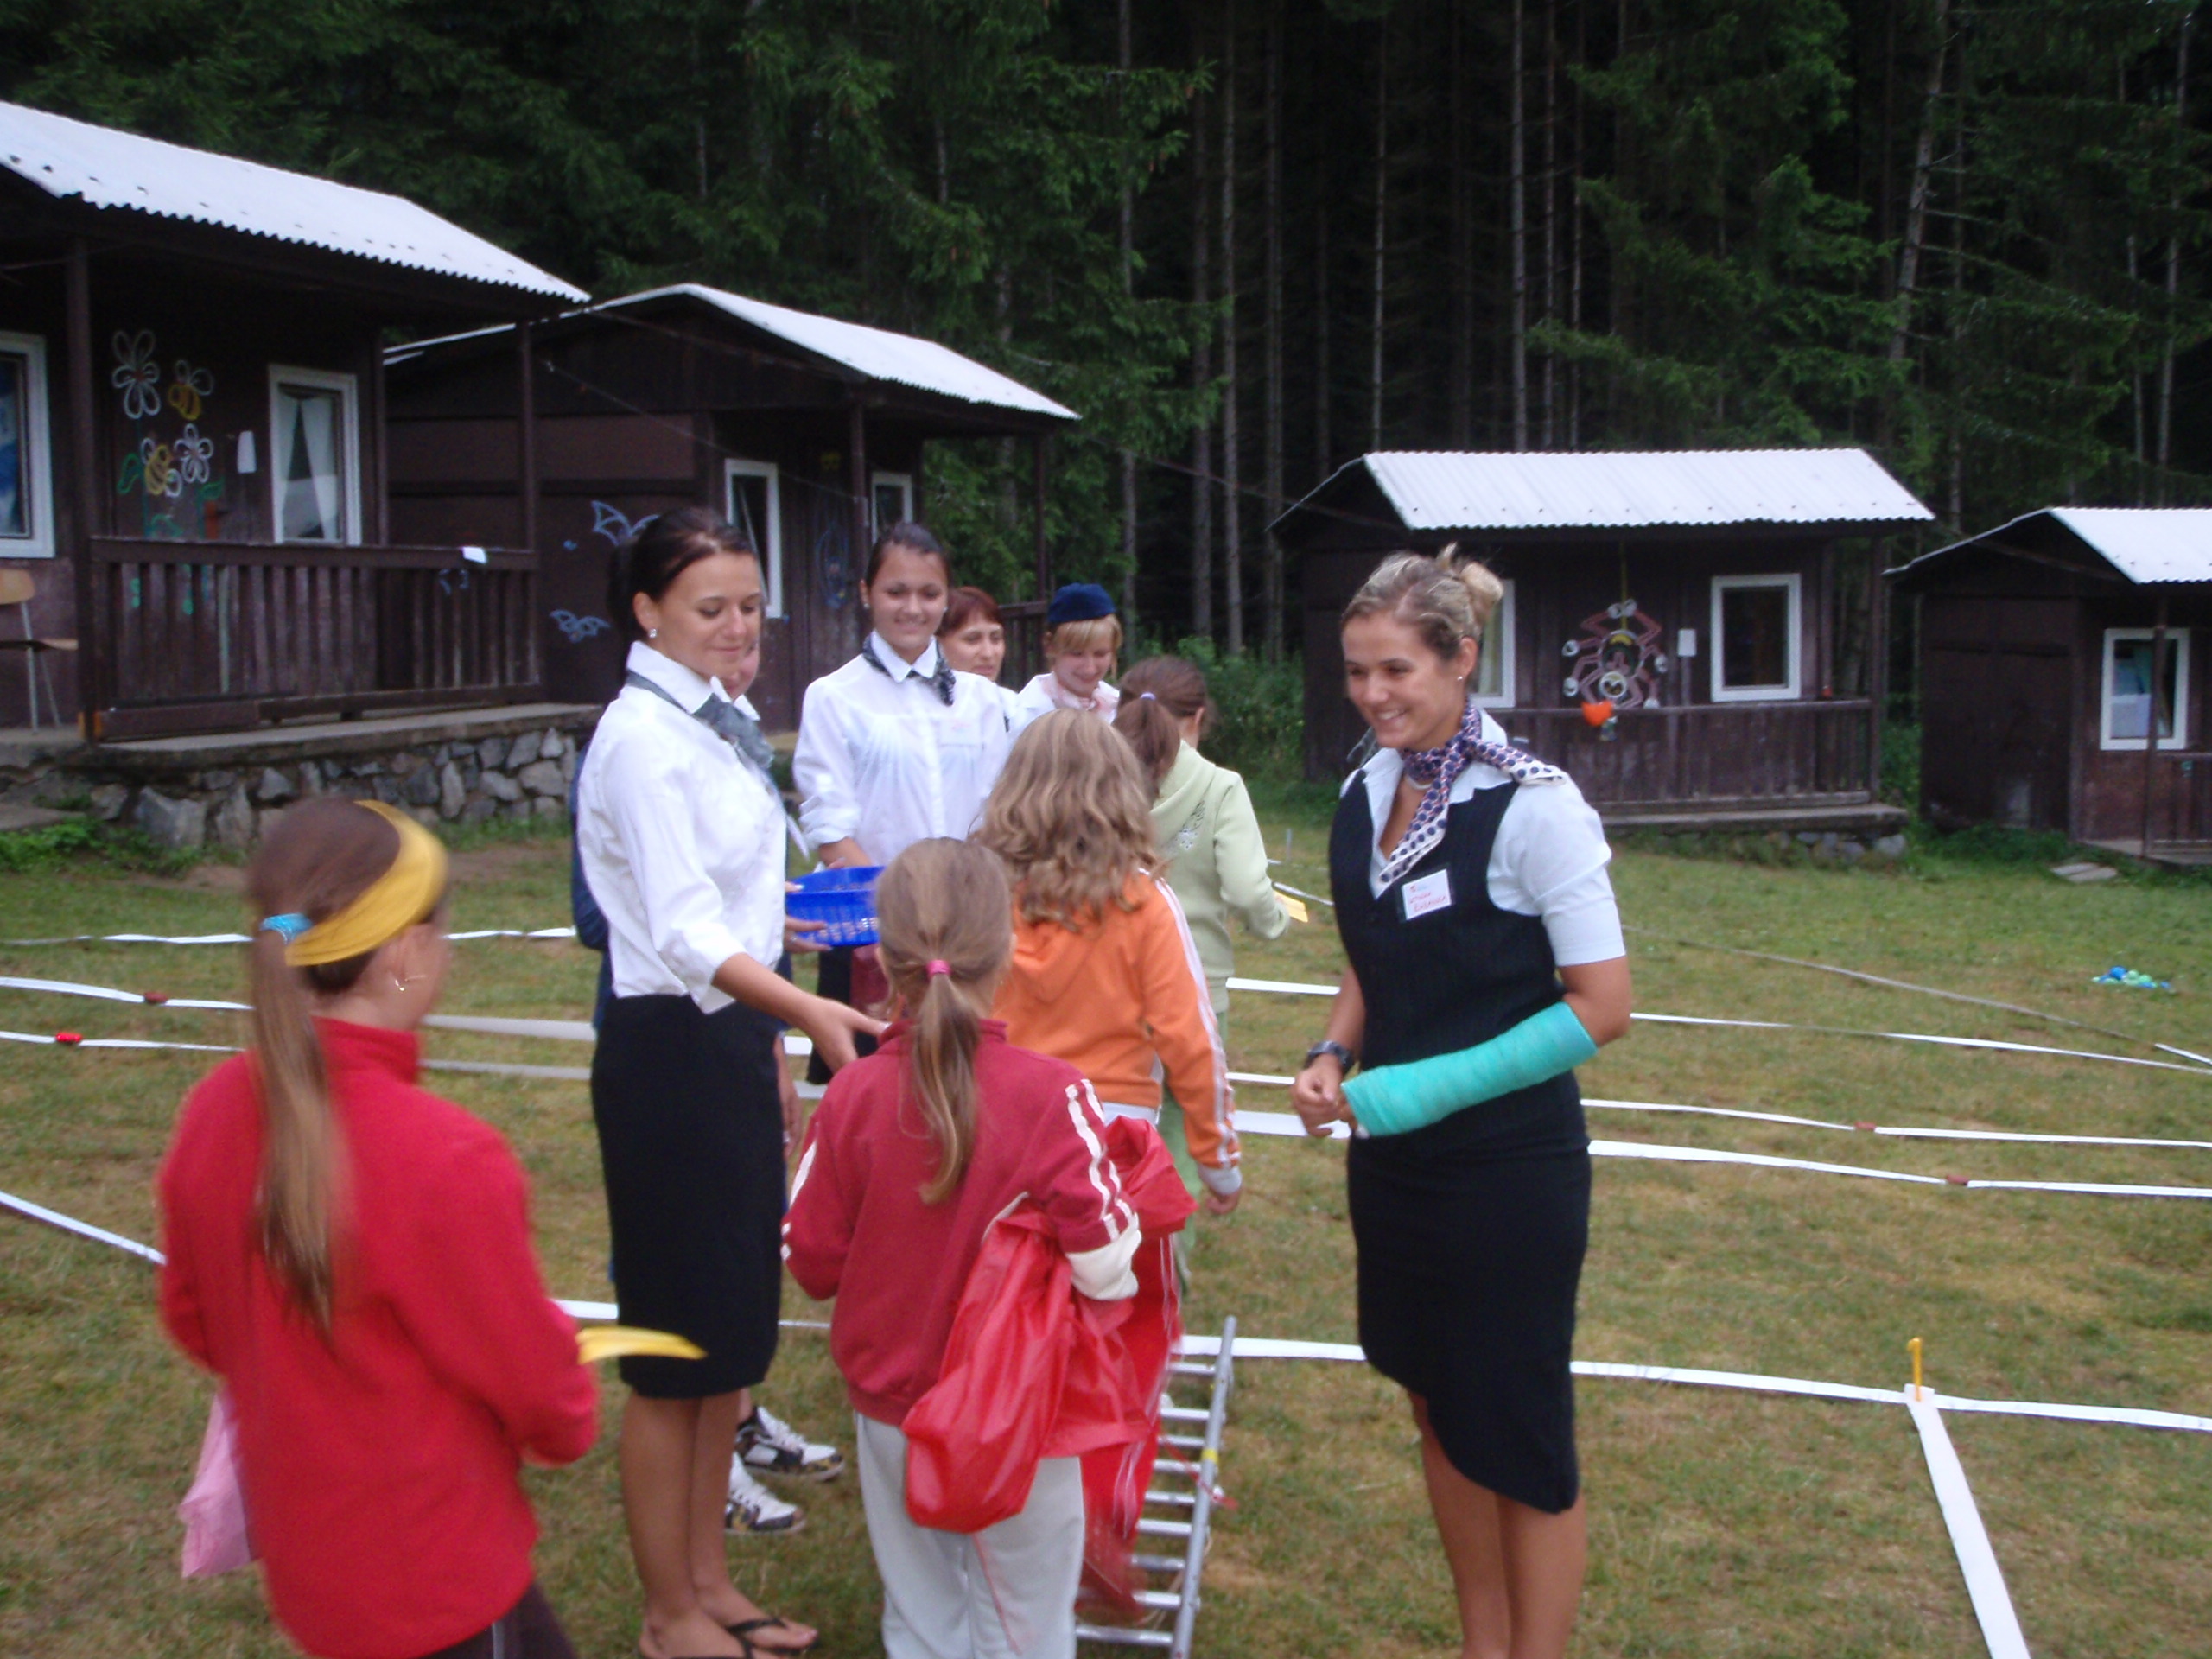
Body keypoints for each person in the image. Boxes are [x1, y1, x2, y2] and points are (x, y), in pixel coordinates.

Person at [1288, 549, 1632, 1659]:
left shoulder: (1536, 806)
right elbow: (1374, 955)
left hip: (1506, 1176)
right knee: (1436, 1403)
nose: (1372, 693)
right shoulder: (1365, 788)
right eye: (1356, 670)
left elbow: (1602, 1007)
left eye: (1395, 669)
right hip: (1396, 1170)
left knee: (1517, 1437)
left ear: (1460, 660)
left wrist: (1420, 1089)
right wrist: (1334, 1050)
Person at [157, 796, 598, 1659]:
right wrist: (566, 1404)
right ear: (404, 953)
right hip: (441, 1583)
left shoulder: (213, 1111)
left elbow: (195, 1319)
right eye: (442, 931)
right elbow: (536, 1389)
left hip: (318, 1570)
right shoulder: (447, 1156)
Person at [576, 506, 881, 1659]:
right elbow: (681, 928)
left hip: (729, 1041)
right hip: (667, 1055)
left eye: (752, 606)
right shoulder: (642, 741)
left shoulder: (721, 719)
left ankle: (711, 1584)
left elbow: (730, 899)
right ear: (647, 611)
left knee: (729, 1346)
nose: (740, 627)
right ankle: (668, 1616)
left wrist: (778, 984)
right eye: (712, 608)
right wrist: (805, 1009)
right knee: (674, 1355)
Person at [784, 837, 1141, 1659]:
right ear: (1008, 947)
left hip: (892, 1410)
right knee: (1025, 1622)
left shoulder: (850, 1096)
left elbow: (811, 1263)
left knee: (920, 1614)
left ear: (882, 959)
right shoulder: (1056, 1097)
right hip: (1019, 1412)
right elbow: (1106, 1266)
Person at [976, 709, 1241, 1213]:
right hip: (1110, 1137)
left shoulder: (977, 892)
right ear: (1123, 795)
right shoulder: (1144, 900)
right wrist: (1218, 1161)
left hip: (991, 1127)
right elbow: (1192, 1040)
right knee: (1109, 1263)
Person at [793, 524, 1013, 1080]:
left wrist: (970, 908)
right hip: (874, 932)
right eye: (896, 592)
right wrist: (897, 917)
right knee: (876, 1092)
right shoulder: (833, 697)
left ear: (945, 598)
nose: (913, 608)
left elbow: (997, 813)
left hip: (966, 927)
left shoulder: (984, 700)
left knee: (970, 1085)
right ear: (866, 592)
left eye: (928, 593)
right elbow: (829, 823)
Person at [1112, 657, 1288, 1205]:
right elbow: (1248, 890)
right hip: (1195, 988)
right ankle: (1170, 1247)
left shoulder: (1099, 783)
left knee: (1114, 1134)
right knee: (1184, 1137)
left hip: (1111, 984)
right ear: (1197, 718)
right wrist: (1273, 923)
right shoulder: (1220, 786)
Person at [1010, 582, 1122, 732]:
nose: (1089, 668)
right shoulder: (1021, 717)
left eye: (1100, 654)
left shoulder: (1121, 709)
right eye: (1077, 654)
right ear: (1050, 647)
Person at [937, 584, 1016, 726]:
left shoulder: (1015, 707)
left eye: (996, 638)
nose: (988, 653)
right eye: (972, 639)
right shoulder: (923, 711)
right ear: (937, 643)